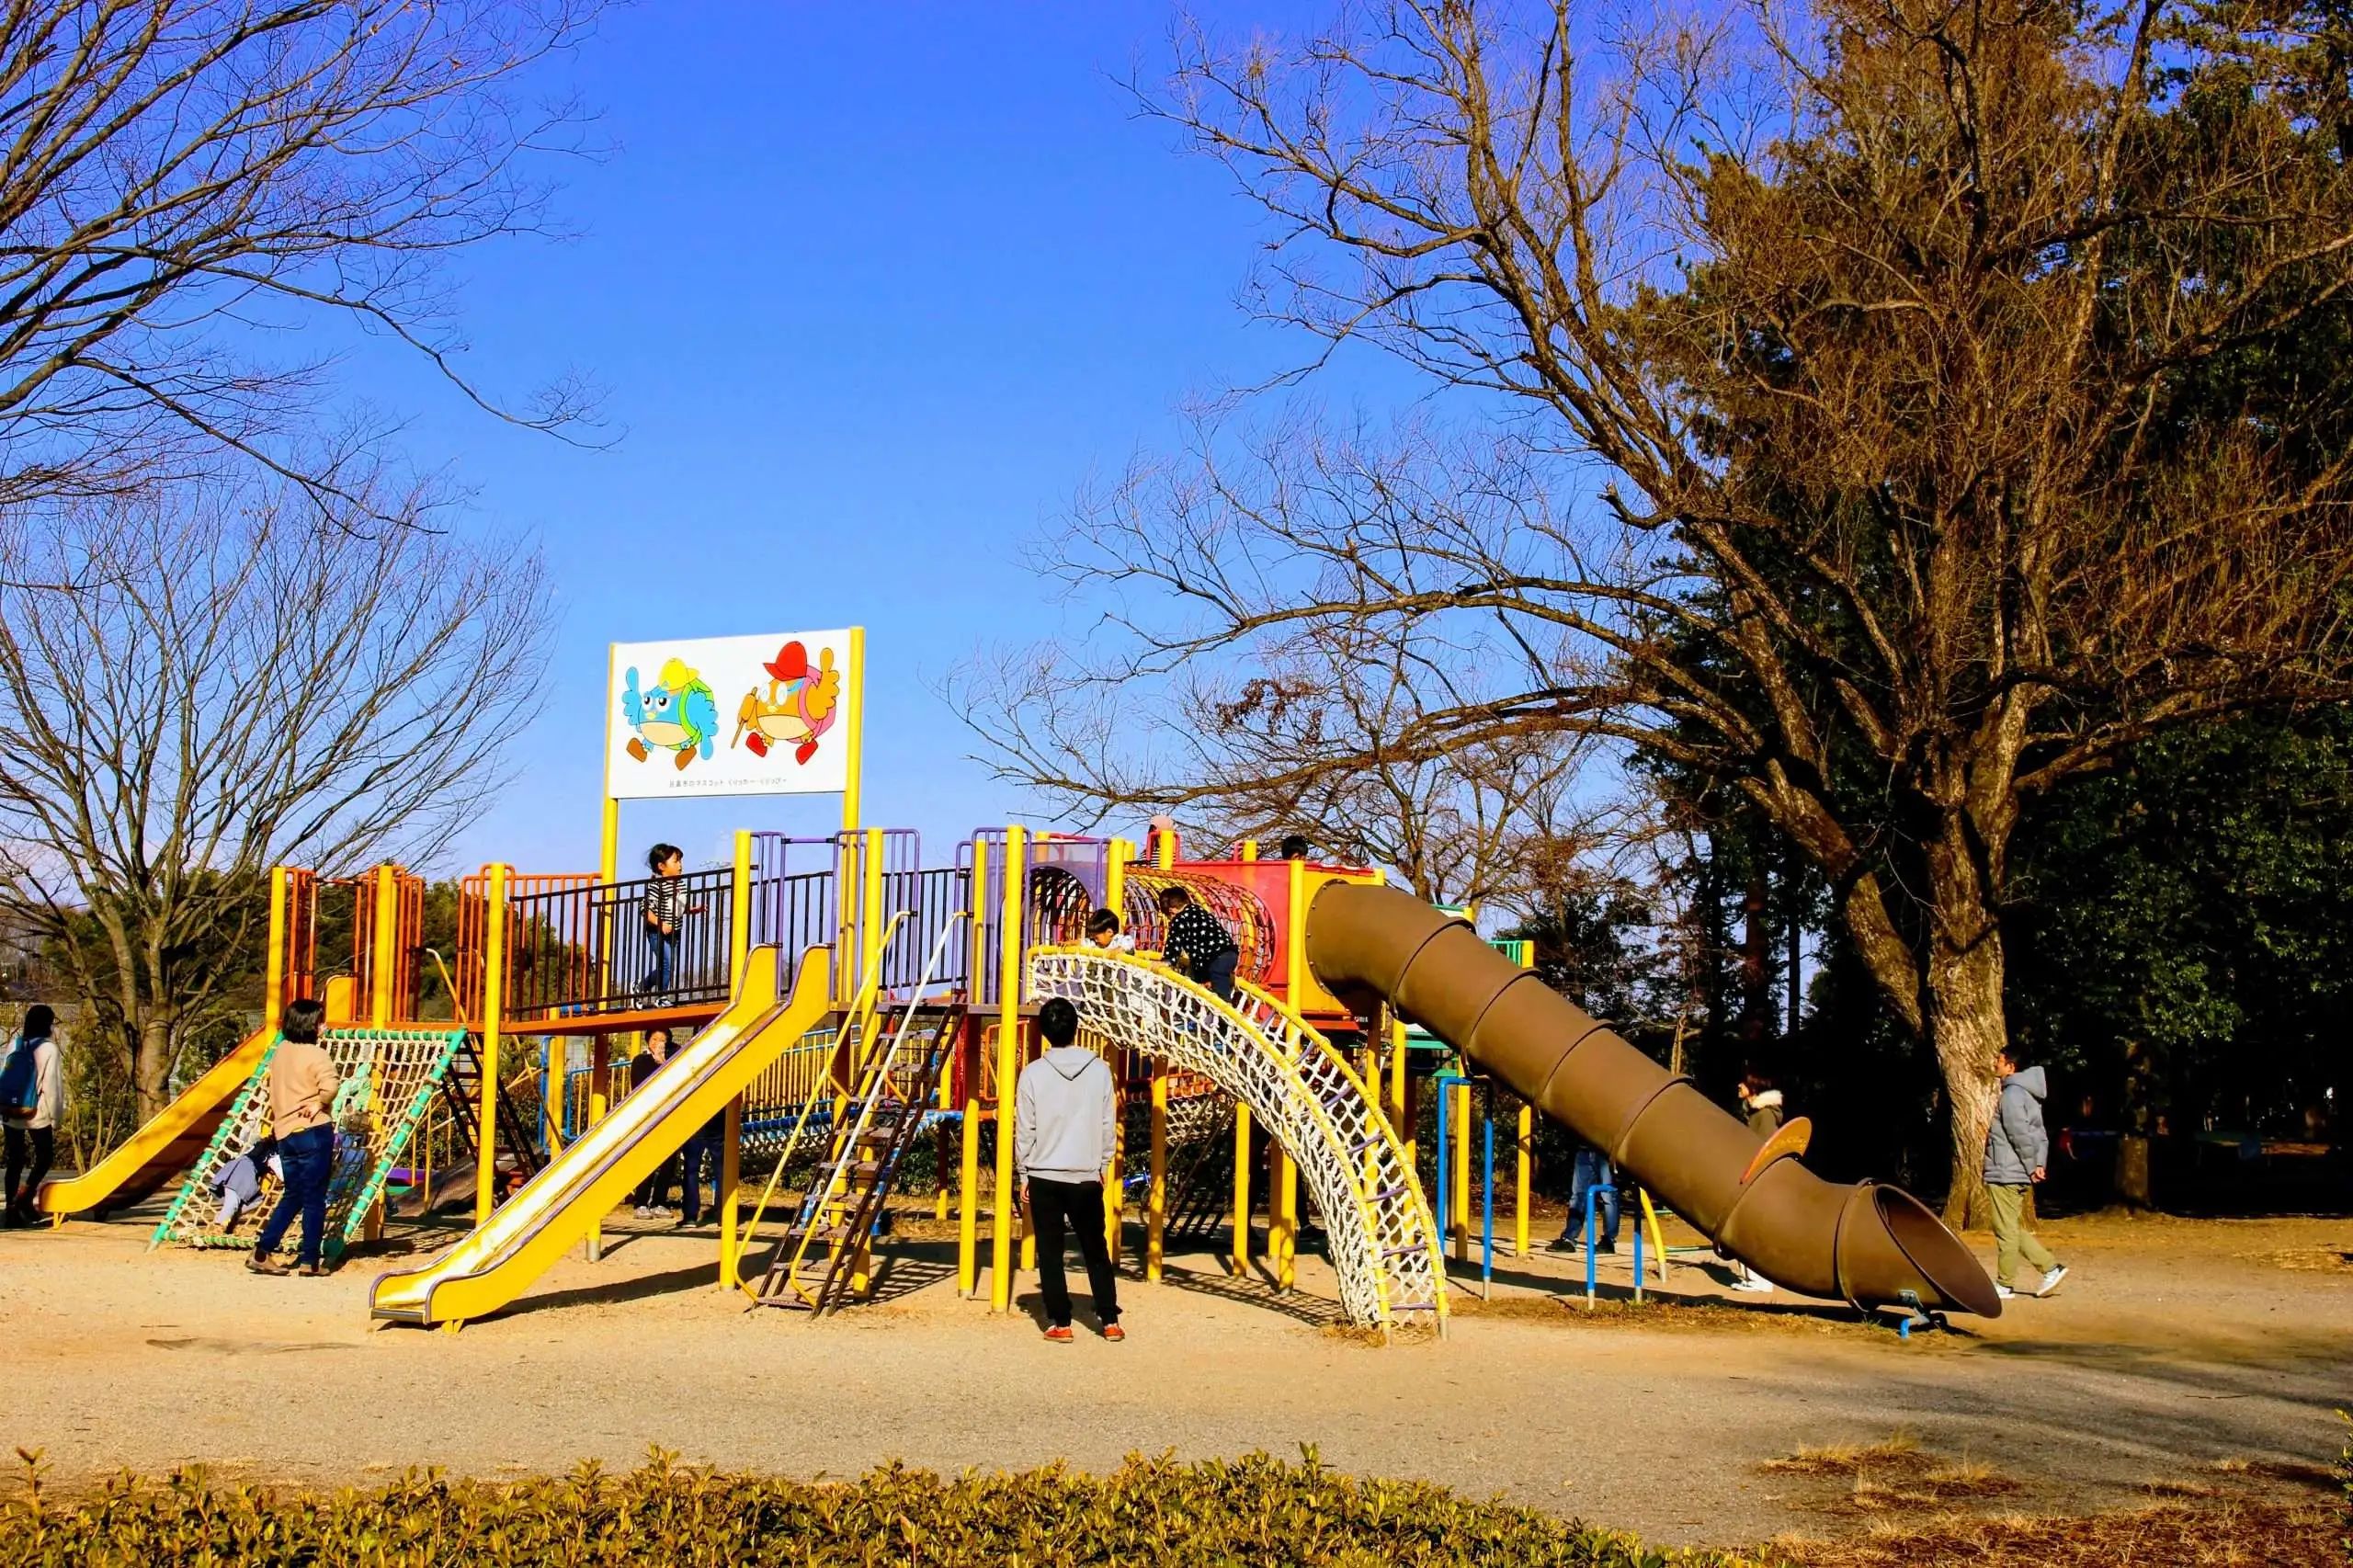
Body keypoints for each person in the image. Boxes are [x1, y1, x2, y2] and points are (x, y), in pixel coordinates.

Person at [1015, 997, 1121, 1343]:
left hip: (1044, 1172)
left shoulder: (1032, 1073)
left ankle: (1061, 1322)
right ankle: (1108, 1319)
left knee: (1049, 1250)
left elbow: (1025, 1129)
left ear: (1043, 1031)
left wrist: (1023, 1174)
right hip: (1085, 1173)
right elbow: (1109, 1123)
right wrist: (1104, 1163)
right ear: (1076, 1028)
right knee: (1095, 1248)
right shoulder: (1100, 1070)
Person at [248, 997, 340, 1277]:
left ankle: (263, 1250)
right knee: (314, 1199)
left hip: (285, 1132)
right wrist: (320, 1102)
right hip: (313, 1131)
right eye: (320, 1021)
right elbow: (331, 1085)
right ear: (312, 1025)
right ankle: (309, 1260)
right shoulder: (316, 1054)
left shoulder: (281, 1051)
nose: (324, 1026)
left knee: (294, 1194)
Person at [1984, 1043, 2069, 1300]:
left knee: (2005, 1230)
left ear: (2011, 1066)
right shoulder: (2029, 1096)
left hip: (2006, 1171)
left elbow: (2018, 1134)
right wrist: (2038, 1164)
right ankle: (2051, 1268)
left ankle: (2005, 1284)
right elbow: (2040, 1135)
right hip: (2016, 1170)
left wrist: (2032, 1166)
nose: (1995, 1063)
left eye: (1999, 1059)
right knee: (2009, 1227)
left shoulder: (2011, 1095)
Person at [2, 1006, 62, 1226]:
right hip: (37, 1112)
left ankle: (11, 1209)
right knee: (45, 1156)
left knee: (15, 1160)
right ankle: (25, 1195)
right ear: (48, 1023)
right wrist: (56, 1118)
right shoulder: (49, 1049)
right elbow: (52, 1086)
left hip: (10, 1109)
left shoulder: (14, 1044)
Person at [1727, 1071, 1785, 1292]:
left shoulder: (1765, 1116)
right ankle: (1753, 1278)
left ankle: (1760, 1280)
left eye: (1743, 1083)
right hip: (1754, 1178)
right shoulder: (1755, 1113)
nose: (1739, 1085)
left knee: (1752, 1229)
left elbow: (1765, 1149)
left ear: (1754, 1088)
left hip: (1759, 1179)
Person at [1157, 884, 1239, 1004]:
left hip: (1216, 959)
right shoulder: (1200, 911)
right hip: (1230, 954)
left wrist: (1167, 961)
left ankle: (1224, 1016)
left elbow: (1174, 942)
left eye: (1168, 917)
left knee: (1220, 998)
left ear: (1172, 911)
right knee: (1204, 978)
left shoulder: (1179, 919)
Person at [640, 844, 703, 997]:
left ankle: (641, 986)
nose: (680, 865)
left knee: (667, 966)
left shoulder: (680, 885)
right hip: (657, 933)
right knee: (667, 964)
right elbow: (645, 909)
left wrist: (691, 910)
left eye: (680, 861)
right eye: (676, 862)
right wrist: (660, 924)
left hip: (675, 933)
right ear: (662, 866)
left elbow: (678, 907)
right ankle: (662, 996)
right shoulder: (657, 885)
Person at [630, 1028, 676, 1218]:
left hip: (667, 1115)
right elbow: (640, 1085)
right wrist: (657, 1064)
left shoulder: (672, 1062)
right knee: (647, 1159)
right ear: (648, 1041)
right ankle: (641, 1202)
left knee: (669, 1160)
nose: (658, 1043)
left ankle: (659, 1201)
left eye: (662, 1040)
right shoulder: (641, 1061)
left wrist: (663, 1063)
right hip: (647, 1115)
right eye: (655, 1039)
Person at [1548, 1142, 1619, 1255]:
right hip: (1584, 1150)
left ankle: (1609, 1241)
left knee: (1609, 1195)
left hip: (1606, 1150)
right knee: (1578, 1195)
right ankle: (1569, 1239)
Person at [210, 1137, 282, 1231]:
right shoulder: (274, 1151)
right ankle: (218, 1226)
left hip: (248, 1172)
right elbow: (277, 1167)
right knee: (233, 1202)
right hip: (243, 1170)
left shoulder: (265, 1145)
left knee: (257, 1200)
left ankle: (229, 1217)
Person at [676, 1103, 725, 1228]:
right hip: (718, 1114)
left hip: (695, 1111)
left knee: (691, 1168)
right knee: (721, 1168)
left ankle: (690, 1216)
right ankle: (724, 1214)